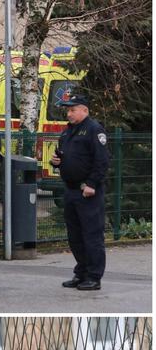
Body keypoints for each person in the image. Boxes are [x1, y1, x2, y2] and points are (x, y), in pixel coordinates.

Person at [52, 92, 110, 291]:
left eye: (72, 109)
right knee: (75, 236)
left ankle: (94, 276)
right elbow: (66, 158)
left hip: (88, 192)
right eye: (68, 110)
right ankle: (81, 273)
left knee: (92, 235)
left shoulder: (94, 130)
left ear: (84, 110)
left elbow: (101, 161)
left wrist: (92, 184)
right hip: (71, 190)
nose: (69, 113)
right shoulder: (68, 132)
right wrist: (57, 162)